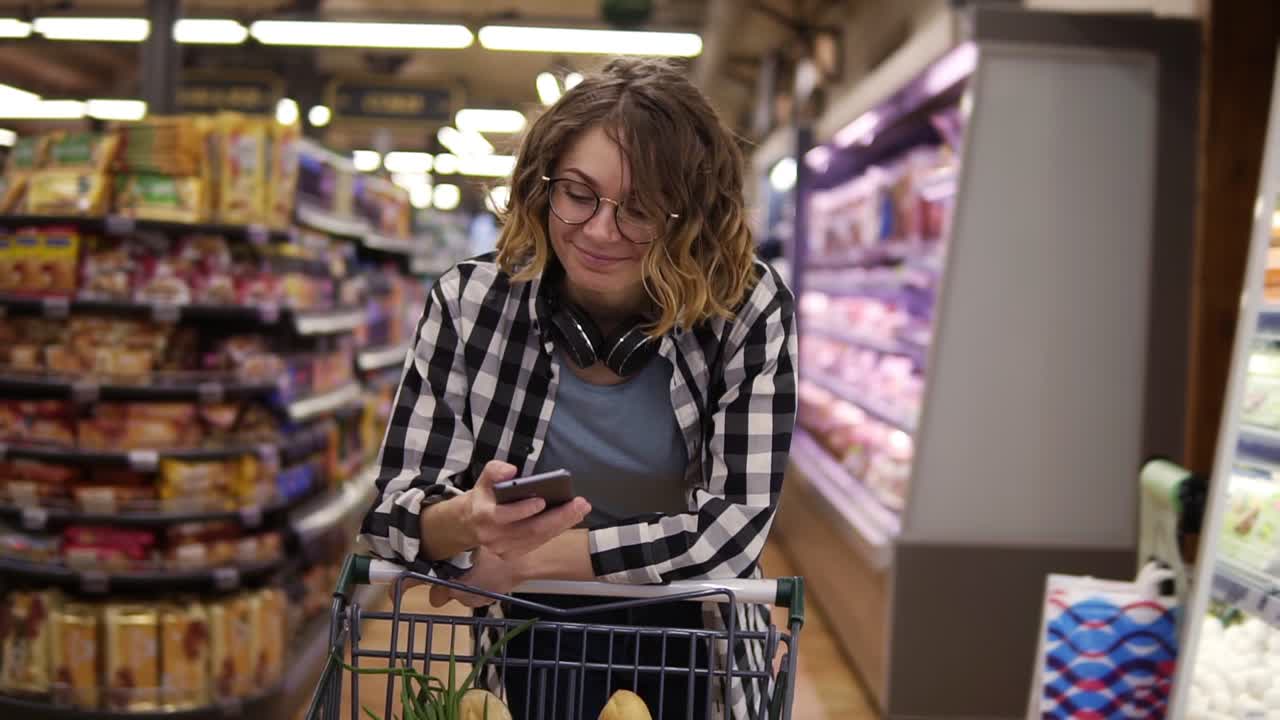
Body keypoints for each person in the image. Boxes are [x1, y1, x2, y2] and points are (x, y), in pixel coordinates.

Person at [359, 56, 797, 720]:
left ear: (692, 218)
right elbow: (393, 512)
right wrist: (463, 522)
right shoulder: (472, 303)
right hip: (529, 634)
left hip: (691, 624)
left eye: (641, 208)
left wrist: (534, 558)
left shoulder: (746, 308)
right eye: (578, 193)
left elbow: (731, 532)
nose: (598, 229)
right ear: (544, 186)